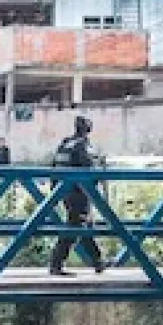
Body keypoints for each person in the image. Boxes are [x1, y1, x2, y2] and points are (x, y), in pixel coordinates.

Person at [48, 115, 105, 275]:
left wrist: (54, 190)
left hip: (64, 191)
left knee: (81, 225)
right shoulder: (82, 146)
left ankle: (98, 261)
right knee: (76, 226)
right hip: (79, 192)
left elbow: (54, 166)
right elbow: (89, 170)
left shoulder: (66, 143)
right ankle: (56, 263)